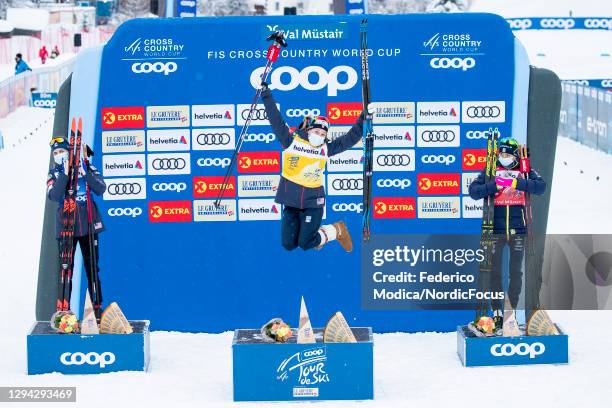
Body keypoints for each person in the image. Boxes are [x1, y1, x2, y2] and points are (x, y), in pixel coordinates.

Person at [260, 81, 372, 253]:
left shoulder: (326, 149)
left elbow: (350, 138)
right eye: (316, 132)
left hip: (313, 202)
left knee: (306, 243)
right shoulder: (291, 141)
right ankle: (325, 233)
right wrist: (266, 95)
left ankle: (337, 229)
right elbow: (275, 119)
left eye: (322, 134)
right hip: (291, 202)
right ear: (309, 130)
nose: (319, 136)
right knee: (288, 245)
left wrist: (364, 118)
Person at [469, 137, 546, 329]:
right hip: (495, 230)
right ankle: (497, 313)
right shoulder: (491, 170)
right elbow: (474, 191)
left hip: (519, 230)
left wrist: (515, 183)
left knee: (516, 273)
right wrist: (493, 185)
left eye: (507, 154)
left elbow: (540, 187)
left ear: (514, 155)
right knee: (495, 273)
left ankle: (510, 310)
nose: (503, 157)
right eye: (500, 154)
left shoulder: (524, 171)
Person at [47, 137, 106, 318]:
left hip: (89, 226)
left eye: (62, 151)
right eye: (56, 153)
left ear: (70, 151)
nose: (59, 155)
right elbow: (54, 195)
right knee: (66, 270)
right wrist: (64, 174)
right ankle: (63, 312)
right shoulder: (54, 173)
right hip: (66, 227)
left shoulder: (86, 166)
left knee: (92, 268)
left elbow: (101, 188)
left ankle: (96, 309)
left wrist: (84, 172)